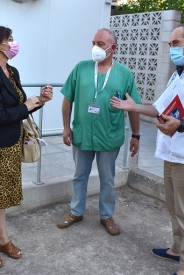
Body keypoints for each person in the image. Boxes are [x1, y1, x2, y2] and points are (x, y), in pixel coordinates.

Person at [111, 24, 184, 275]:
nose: (171, 48)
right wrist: (133, 107)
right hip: (172, 154)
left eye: (175, 43)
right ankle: (177, 250)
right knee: (175, 208)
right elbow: (159, 108)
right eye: (170, 44)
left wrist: (182, 125)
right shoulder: (180, 74)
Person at [0, 26, 53, 268]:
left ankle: (2, 239)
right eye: (10, 39)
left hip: (11, 143)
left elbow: (20, 105)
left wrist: (39, 101)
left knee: (2, 195)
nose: (14, 43)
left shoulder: (11, 70)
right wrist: (27, 105)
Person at [56, 28, 141, 236]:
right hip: (83, 134)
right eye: (94, 42)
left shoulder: (124, 74)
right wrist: (66, 127)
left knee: (108, 180)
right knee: (79, 176)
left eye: (101, 44)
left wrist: (136, 135)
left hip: (109, 135)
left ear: (113, 48)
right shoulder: (81, 68)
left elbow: (134, 107)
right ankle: (76, 211)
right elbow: (67, 99)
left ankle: (106, 215)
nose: (96, 47)